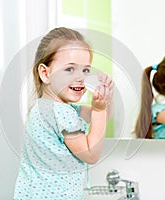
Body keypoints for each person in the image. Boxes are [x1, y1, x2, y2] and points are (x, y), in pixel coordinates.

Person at [13, 27, 114, 199]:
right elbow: (90, 153)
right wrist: (99, 108)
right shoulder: (60, 113)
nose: (81, 77)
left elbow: (102, 118)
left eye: (86, 70)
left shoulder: (49, 108)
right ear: (45, 73)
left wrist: (105, 99)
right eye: (70, 69)